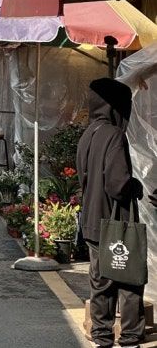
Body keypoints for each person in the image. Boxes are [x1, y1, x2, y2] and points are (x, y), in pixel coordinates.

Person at [76, 78, 145, 348]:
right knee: (129, 280)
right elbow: (117, 184)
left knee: (101, 281)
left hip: (93, 221)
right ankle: (129, 338)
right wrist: (135, 186)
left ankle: (102, 337)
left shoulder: (89, 133)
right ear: (115, 106)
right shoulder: (114, 135)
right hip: (116, 222)